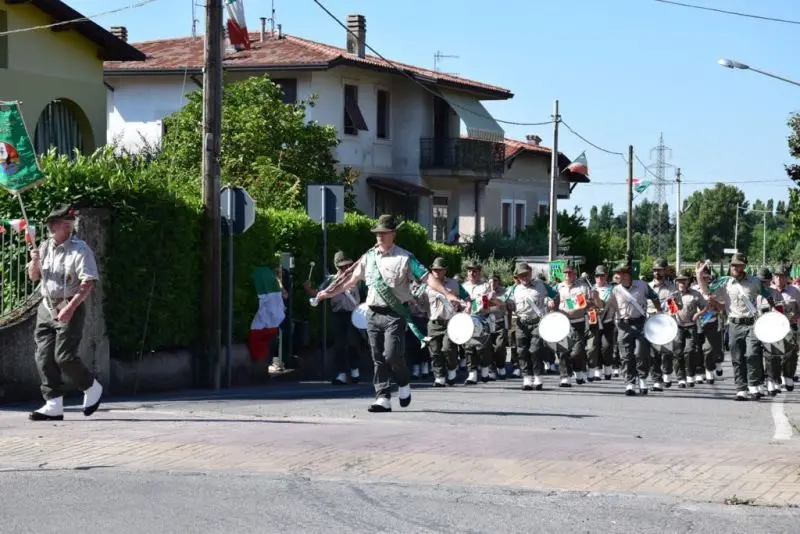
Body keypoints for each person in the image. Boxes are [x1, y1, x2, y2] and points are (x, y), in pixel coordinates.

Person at [315, 214, 463, 413]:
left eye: (384, 233)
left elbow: (427, 277)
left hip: (395, 313)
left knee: (392, 354)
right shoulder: (368, 257)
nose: (380, 237)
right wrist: (327, 293)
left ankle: (403, 382)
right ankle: (382, 397)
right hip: (373, 313)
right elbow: (348, 280)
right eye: (377, 233)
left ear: (393, 234)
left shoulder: (405, 258)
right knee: (377, 356)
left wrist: (448, 294)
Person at [26, 204, 103, 421]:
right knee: (43, 355)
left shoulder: (80, 250)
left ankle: (91, 387)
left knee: (64, 356)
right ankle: (53, 403)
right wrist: (35, 261)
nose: (50, 227)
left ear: (67, 226)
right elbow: (34, 277)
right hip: (46, 306)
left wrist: (70, 307)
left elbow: (88, 283)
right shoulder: (44, 247)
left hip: (70, 304)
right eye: (51, 223)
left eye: (55, 223)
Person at [696, 254, 774, 401]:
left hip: (752, 323)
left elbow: (767, 295)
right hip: (734, 324)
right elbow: (707, 293)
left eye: (738, 265)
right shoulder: (724, 282)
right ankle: (741, 389)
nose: (734, 268)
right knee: (737, 357)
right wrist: (699, 276)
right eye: (732, 265)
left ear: (743, 266)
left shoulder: (754, 282)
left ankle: (753, 385)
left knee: (752, 354)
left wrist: (775, 310)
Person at [304, 251, 362, 385]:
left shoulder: (357, 279)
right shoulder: (331, 280)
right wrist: (308, 289)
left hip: (354, 314)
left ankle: (355, 371)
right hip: (338, 314)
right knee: (339, 344)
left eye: (348, 266)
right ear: (337, 267)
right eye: (342, 266)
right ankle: (341, 374)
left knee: (353, 342)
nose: (346, 269)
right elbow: (318, 294)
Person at [606, 262, 661, 396]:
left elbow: (654, 297)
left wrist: (659, 311)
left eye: (620, 273)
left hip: (640, 322)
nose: (617, 275)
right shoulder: (614, 289)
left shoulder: (642, 285)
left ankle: (642, 379)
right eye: (617, 273)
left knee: (641, 353)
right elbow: (606, 304)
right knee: (626, 355)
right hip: (623, 325)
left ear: (628, 274)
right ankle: (630, 383)